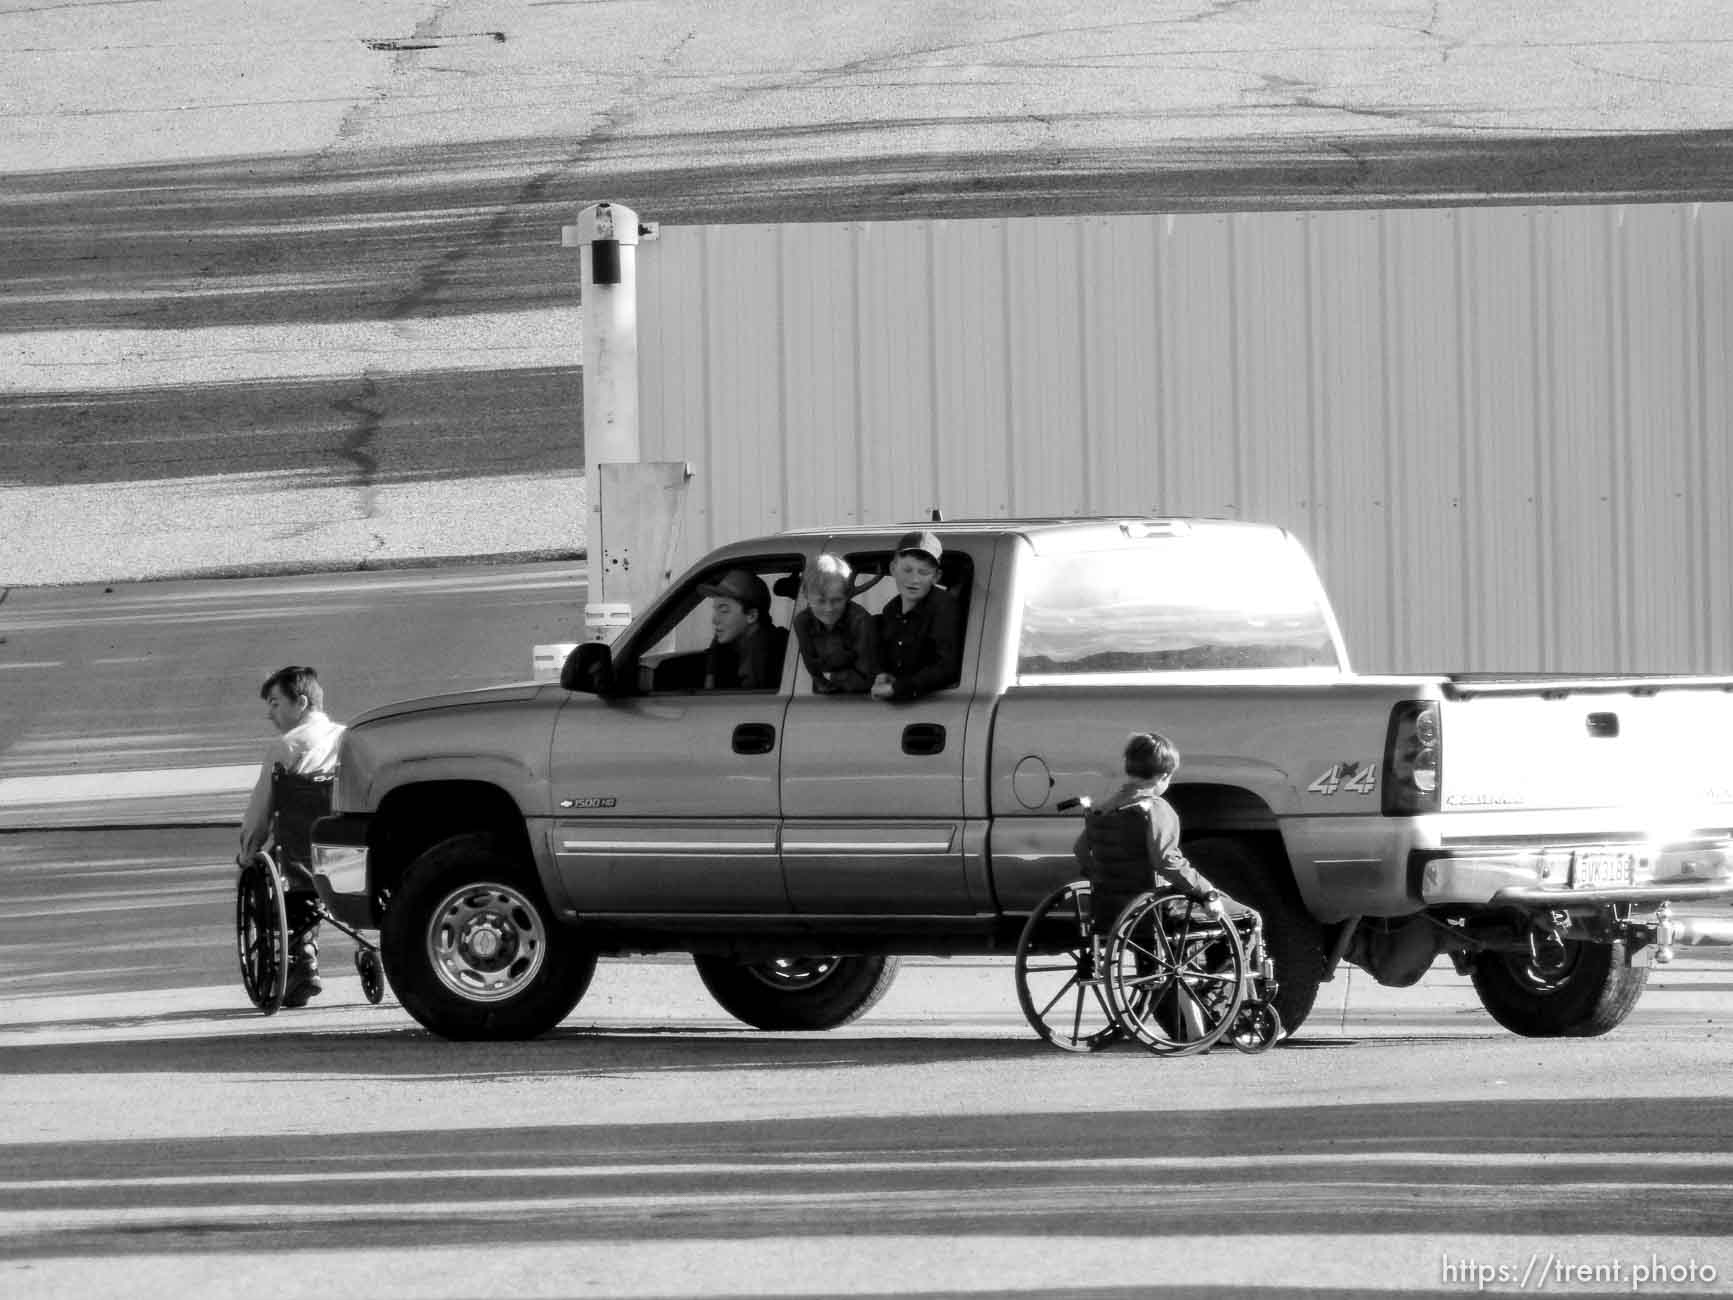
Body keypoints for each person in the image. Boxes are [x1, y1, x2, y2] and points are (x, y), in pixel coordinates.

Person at [1073, 731, 1256, 934]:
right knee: (1249, 917)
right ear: (1163, 776)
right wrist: (1207, 892)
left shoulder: (1104, 809)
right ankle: (1226, 965)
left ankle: (1151, 964)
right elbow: (1165, 860)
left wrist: (1106, 880)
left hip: (1113, 906)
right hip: (1157, 908)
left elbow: (1080, 849)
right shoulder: (1156, 809)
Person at [238, 666, 345, 1007]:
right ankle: (309, 951)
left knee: (268, 874)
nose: (270, 714)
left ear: (301, 702)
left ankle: (302, 953)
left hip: (299, 857)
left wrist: (247, 850)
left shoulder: (285, 748)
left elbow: (260, 813)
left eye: (275, 704)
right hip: (350, 852)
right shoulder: (352, 739)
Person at [871, 530, 962, 701]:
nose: (914, 579)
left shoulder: (944, 608)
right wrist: (883, 674)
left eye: (923, 572)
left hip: (935, 707)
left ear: (936, 577)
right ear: (893, 569)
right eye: (907, 570)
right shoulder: (891, 610)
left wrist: (897, 689)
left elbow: (946, 667)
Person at [792, 552, 876, 693]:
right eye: (820, 601)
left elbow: (866, 676)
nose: (829, 609)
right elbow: (813, 669)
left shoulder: (860, 620)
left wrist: (831, 675)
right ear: (806, 594)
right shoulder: (802, 622)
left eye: (837, 600)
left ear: (847, 595)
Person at [698, 568, 781, 689]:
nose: (714, 620)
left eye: (724, 610)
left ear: (751, 616)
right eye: (715, 610)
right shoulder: (737, 643)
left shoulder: (762, 653)